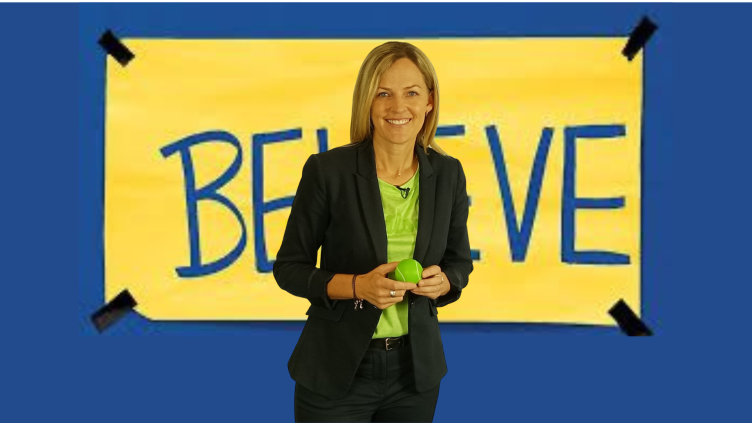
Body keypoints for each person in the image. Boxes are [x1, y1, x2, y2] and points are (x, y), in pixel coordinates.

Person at [273, 41, 473, 422]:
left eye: (411, 93)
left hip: (415, 375)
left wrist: (445, 281)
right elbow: (289, 268)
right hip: (336, 370)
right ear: (367, 101)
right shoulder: (328, 171)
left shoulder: (449, 174)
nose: (398, 107)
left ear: (429, 101)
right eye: (384, 94)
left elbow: (459, 262)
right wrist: (357, 287)